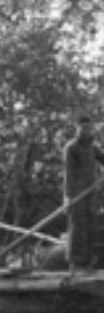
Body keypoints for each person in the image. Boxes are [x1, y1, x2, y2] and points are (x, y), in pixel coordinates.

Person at [63, 115, 104, 271]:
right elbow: (68, 174)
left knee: (91, 225)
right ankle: (75, 262)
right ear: (77, 129)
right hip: (77, 194)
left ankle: (89, 261)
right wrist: (68, 197)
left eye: (88, 128)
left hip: (91, 193)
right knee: (77, 227)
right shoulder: (71, 148)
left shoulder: (94, 147)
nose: (86, 131)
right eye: (83, 128)